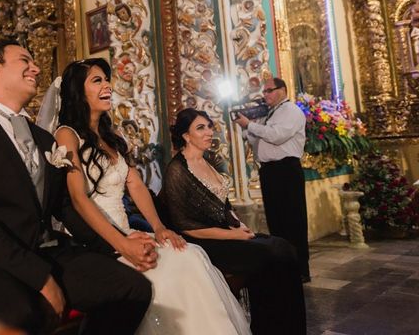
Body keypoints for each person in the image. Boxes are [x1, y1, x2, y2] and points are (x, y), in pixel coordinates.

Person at [0, 39, 152, 334]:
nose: (36, 67)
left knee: (133, 287)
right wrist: (42, 278)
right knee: (22, 313)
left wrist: (120, 246)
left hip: (48, 253)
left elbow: (65, 208)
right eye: (24, 60)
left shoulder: (45, 141)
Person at [51, 58, 250, 334]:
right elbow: (78, 199)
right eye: (97, 80)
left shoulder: (111, 136)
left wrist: (159, 228)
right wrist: (121, 243)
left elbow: (136, 185)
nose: (107, 84)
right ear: (77, 91)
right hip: (98, 240)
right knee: (169, 275)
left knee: (189, 255)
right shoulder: (67, 135)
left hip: (129, 231)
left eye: (107, 79)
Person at [161, 108, 306, 334]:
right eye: (201, 128)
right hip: (204, 241)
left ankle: (287, 328)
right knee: (270, 255)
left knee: (285, 248)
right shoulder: (177, 170)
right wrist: (233, 234)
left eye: (209, 126)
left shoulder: (209, 161)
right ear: (186, 136)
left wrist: (239, 225)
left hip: (227, 233)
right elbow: (186, 226)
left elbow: (224, 205)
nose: (209, 132)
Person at [233, 77, 310, 281]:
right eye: (264, 92)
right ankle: (284, 265)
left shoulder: (291, 111)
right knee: (276, 220)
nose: (265, 95)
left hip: (286, 170)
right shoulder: (270, 114)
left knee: (293, 220)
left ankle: (300, 268)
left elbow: (277, 136)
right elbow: (257, 140)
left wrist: (250, 124)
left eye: (269, 90)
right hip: (270, 171)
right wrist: (246, 129)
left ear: (282, 90)